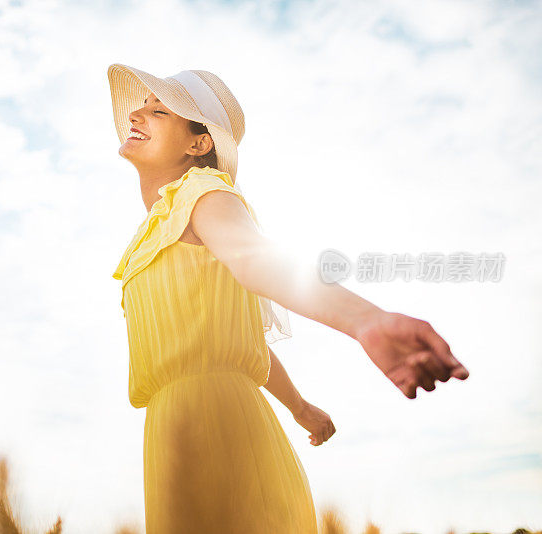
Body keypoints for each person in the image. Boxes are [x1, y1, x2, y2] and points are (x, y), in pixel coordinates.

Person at [107, 64, 469, 534]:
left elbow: (257, 261)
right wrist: (299, 407)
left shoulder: (203, 192)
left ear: (199, 144)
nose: (137, 112)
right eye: (142, 105)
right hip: (171, 426)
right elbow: (227, 341)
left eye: (159, 110)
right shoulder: (154, 228)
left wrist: (366, 320)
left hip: (214, 423)